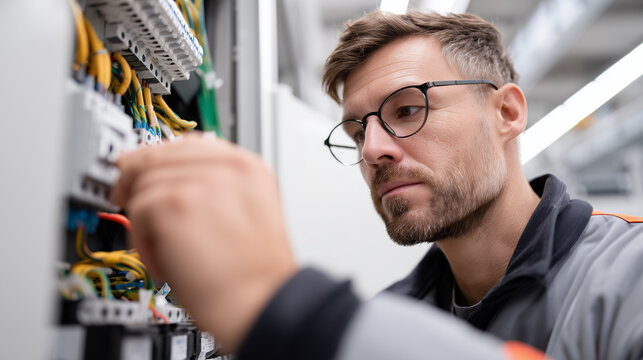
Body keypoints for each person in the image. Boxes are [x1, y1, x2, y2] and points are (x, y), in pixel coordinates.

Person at [110, 10, 643, 360]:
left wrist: (287, 308)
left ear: (506, 111)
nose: (372, 150)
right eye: (357, 130)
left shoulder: (629, 275)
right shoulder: (396, 312)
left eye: (407, 110)